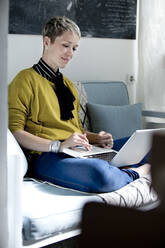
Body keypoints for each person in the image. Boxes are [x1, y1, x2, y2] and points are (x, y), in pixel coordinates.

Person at [8, 16, 150, 193]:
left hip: (78, 150)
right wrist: (58, 146)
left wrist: (97, 138)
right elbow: (16, 133)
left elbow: (75, 132)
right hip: (46, 156)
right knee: (99, 175)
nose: (70, 54)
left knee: (153, 144)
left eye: (74, 48)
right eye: (65, 46)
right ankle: (136, 172)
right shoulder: (24, 80)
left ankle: (116, 169)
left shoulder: (68, 85)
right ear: (46, 41)